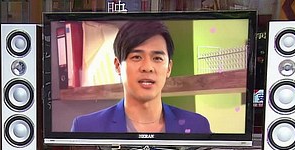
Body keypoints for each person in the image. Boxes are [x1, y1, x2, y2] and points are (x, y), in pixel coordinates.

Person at [70, 21, 211, 134]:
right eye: (137, 57)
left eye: (157, 58)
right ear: (118, 66)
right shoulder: (85, 127)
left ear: (169, 68)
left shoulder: (197, 126)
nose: (147, 67)